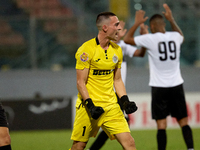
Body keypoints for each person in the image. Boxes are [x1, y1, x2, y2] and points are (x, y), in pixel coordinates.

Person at [124, 3, 194, 150]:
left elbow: (127, 39)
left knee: (161, 125)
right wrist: (172, 20)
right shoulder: (175, 36)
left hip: (159, 87)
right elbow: (182, 37)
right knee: (184, 121)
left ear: (153, 26)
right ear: (163, 24)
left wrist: (137, 23)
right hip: (176, 85)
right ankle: (191, 149)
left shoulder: (150, 39)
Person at [70, 12, 138, 150]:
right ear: (105, 28)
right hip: (89, 107)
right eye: (116, 24)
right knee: (79, 146)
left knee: (129, 143)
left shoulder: (117, 50)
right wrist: (90, 105)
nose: (119, 28)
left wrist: (125, 101)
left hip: (111, 106)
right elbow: (80, 82)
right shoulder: (86, 50)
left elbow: (117, 80)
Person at [87, 20, 147, 150]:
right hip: (109, 94)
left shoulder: (122, 47)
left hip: (119, 93)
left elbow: (140, 54)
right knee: (121, 126)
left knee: (120, 128)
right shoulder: (105, 48)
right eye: (116, 29)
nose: (118, 32)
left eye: (119, 29)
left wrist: (144, 41)